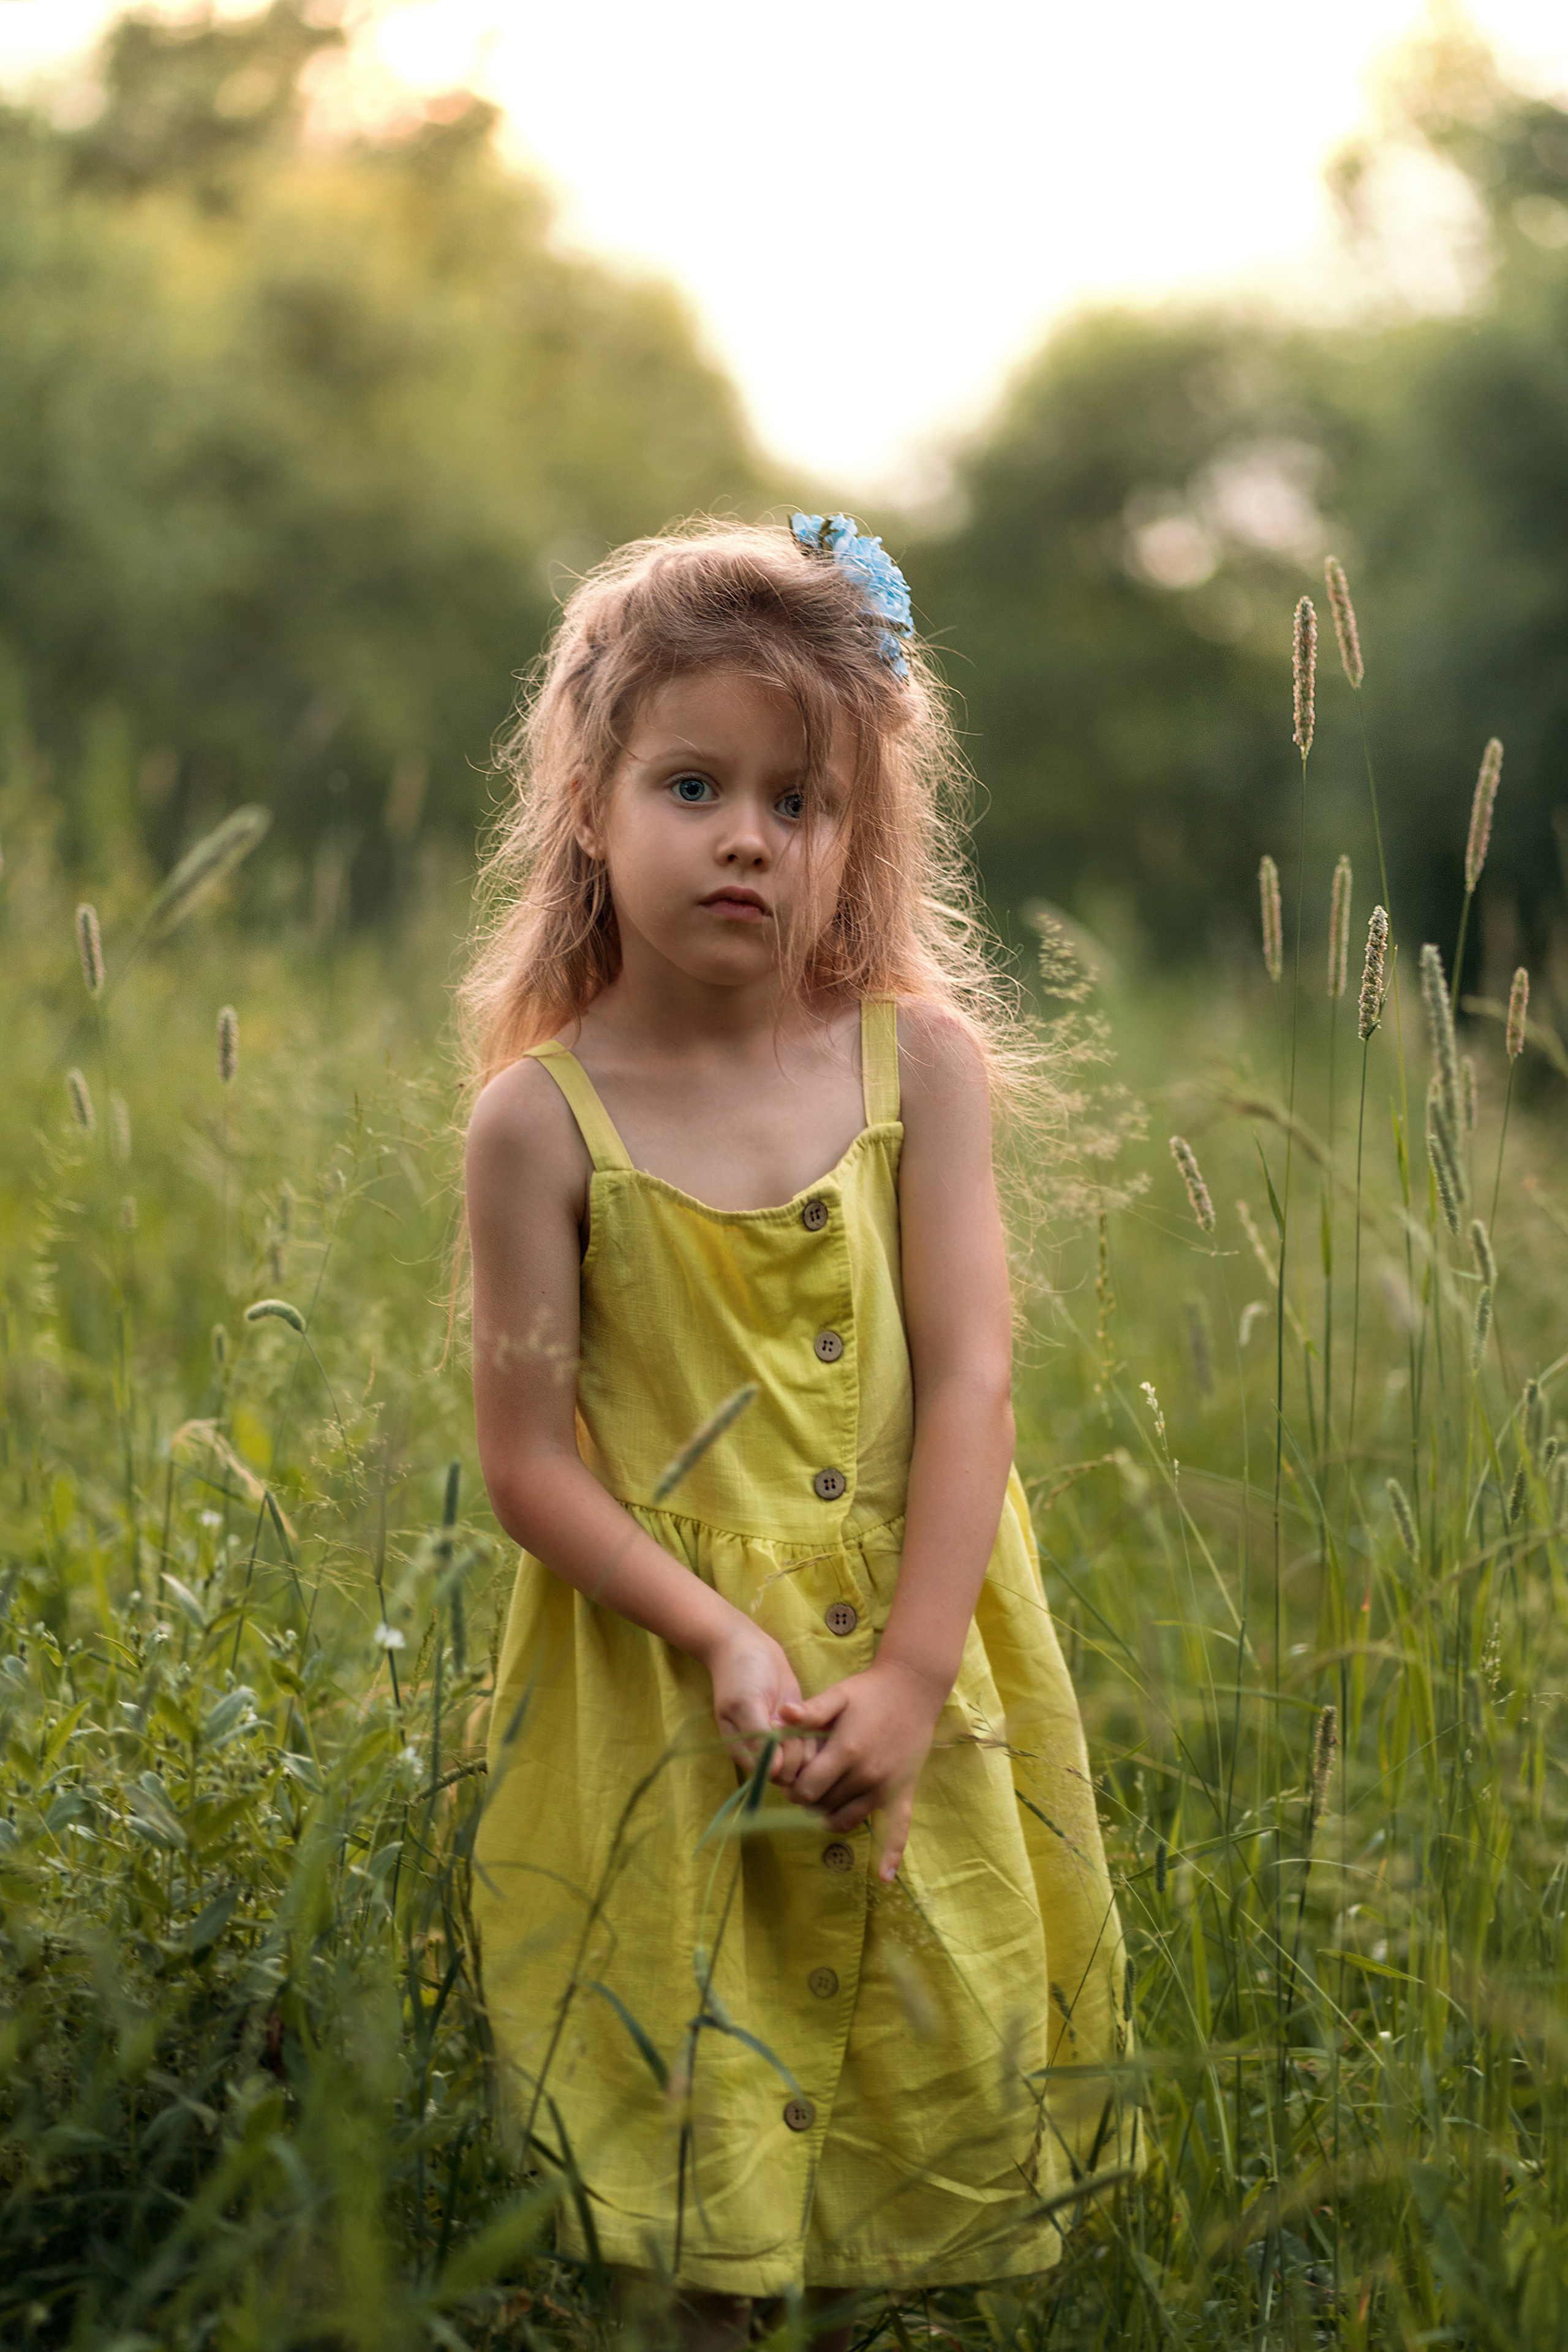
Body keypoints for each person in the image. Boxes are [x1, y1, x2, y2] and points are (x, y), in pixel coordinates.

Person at [461, 516, 1136, 2346]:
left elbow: (974, 1378)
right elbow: (528, 1459)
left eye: (802, 800)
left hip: (920, 1653)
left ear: (863, 838)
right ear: (589, 805)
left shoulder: (920, 1072)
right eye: (693, 785)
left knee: (900, 2106)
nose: (749, 836)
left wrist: (913, 1676)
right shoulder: (542, 1123)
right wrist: (718, 1634)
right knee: (692, 2140)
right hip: (661, 1696)